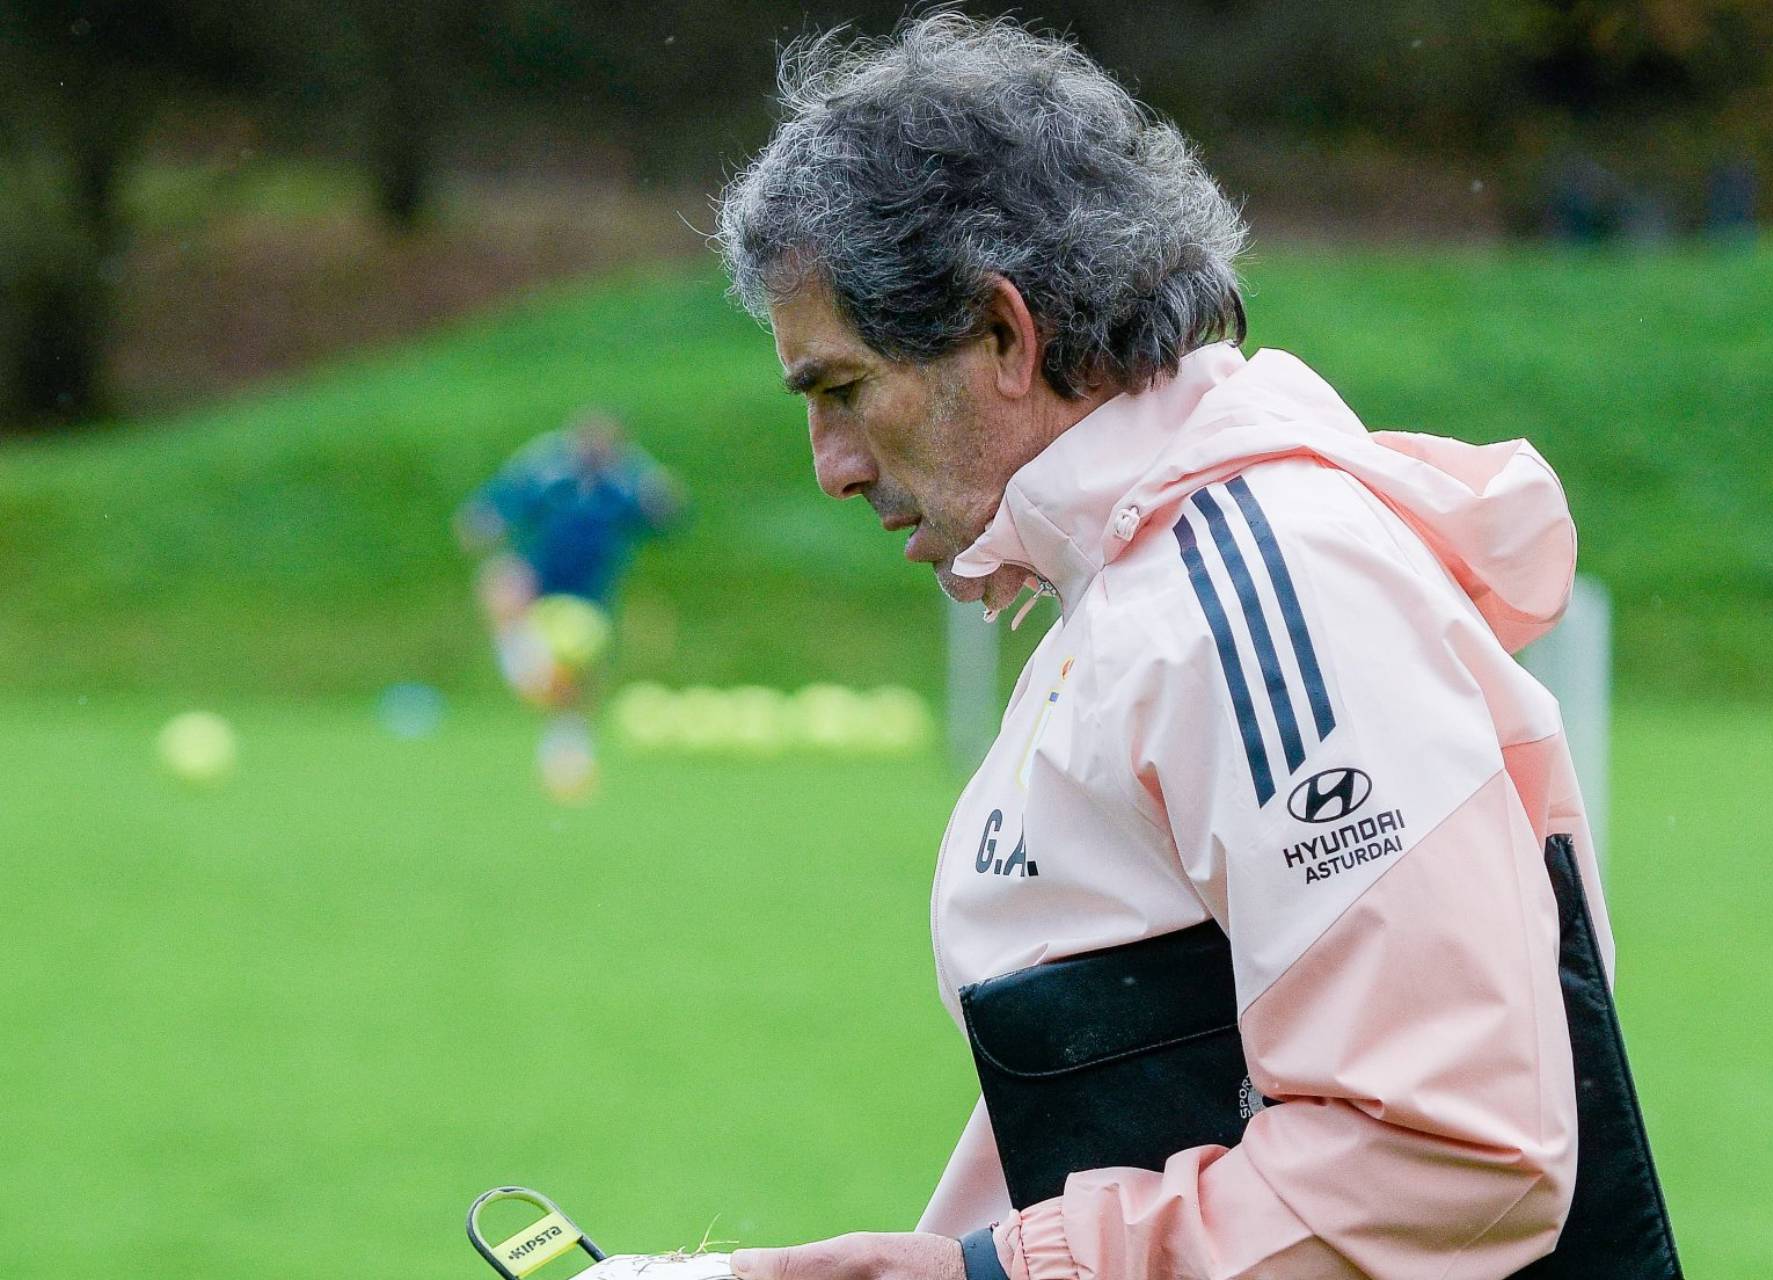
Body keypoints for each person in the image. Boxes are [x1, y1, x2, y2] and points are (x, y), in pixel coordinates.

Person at [714, 15, 1673, 1280]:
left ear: (1006, 336)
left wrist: (989, 1273)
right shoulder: (1132, 589)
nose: (832, 467)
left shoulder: (1250, 592)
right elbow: (1139, 1119)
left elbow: (1454, 1150)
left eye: (841, 390)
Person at [456, 411, 684, 799]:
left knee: (577, 683)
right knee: (501, 589)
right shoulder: (548, 472)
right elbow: (495, 506)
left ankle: (568, 757)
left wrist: (663, 496)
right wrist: (485, 521)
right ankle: (522, 665)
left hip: (590, 596)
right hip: (539, 587)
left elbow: (666, 518)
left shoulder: (624, 482)